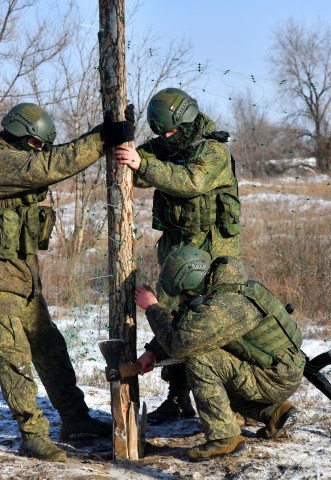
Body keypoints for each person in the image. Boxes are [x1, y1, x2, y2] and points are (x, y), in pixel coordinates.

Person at [0, 102, 134, 462]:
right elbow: (50, 167)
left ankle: (75, 419)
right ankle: (33, 434)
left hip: (24, 280)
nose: (39, 150)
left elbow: (49, 161)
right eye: (36, 143)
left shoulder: (16, 157)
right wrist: (103, 136)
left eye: (41, 145)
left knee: (51, 350)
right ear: (20, 135)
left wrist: (106, 135)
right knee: (15, 361)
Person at [114, 88, 241, 423]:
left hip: (210, 254)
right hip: (178, 249)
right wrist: (126, 145)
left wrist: (144, 164)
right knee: (171, 314)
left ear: (186, 119)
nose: (166, 137)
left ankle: (230, 398)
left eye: (171, 131)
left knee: (203, 321)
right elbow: (136, 167)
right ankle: (177, 397)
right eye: (161, 133)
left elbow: (191, 181)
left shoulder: (211, 150)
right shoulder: (168, 144)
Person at [133, 246, 305, 460]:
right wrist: (152, 352)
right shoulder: (219, 289)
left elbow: (182, 343)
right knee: (212, 364)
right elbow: (185, 324)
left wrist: (153, 309)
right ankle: (275, 413)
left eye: (183, 293)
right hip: (273, 370)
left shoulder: (227, 304)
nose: (182, 298)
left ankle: (225, 440)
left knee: (200, 359)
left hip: (273, 378)